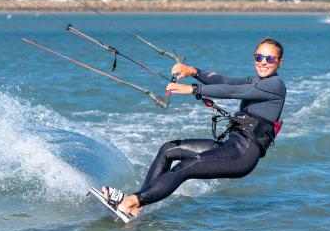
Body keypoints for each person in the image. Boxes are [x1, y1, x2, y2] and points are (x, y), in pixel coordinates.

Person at [100, 38, 286, 219]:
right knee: (168, 149)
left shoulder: (275, 86)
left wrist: (194, 89)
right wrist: (193, 71)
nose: (262, 62)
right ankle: (137, 204)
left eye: (269, 59)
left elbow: (234, 92)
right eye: (258, 57)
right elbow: (226, 82)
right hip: (231, 145)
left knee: (188, 165)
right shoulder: (257, 81)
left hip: (244, 154)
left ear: (279, 62)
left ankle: (132, 201)